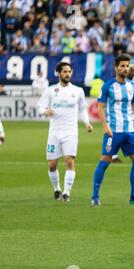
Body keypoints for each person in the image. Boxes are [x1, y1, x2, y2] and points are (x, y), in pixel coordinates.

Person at [91, 53, 134, 206]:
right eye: (122, 66)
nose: (125, 68)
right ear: (116, 67)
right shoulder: (108, 86)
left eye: (127, 66)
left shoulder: (132, 86)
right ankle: (95, 196)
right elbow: (101, 107)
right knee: (105, 161)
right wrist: (105, 126)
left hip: (129, 130)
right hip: (113, 131)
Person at [37, 62, 94, 202]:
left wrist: (87, 123)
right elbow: (40, 107)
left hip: (71, 132)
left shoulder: (78, 91)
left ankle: (67, 192)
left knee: (70, 161)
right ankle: (56, 188)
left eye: (69, 71)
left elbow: (82, 109)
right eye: (65, 72)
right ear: (58, 73)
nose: (68, 74)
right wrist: (45, 111)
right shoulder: (50, 91)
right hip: (54, 132)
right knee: (52, 165)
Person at [111, 64, 134, 163]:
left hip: (131, 113)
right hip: (121, 114)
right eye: (132, 70)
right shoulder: (119, 83)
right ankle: (113, 155)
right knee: (120, 133)